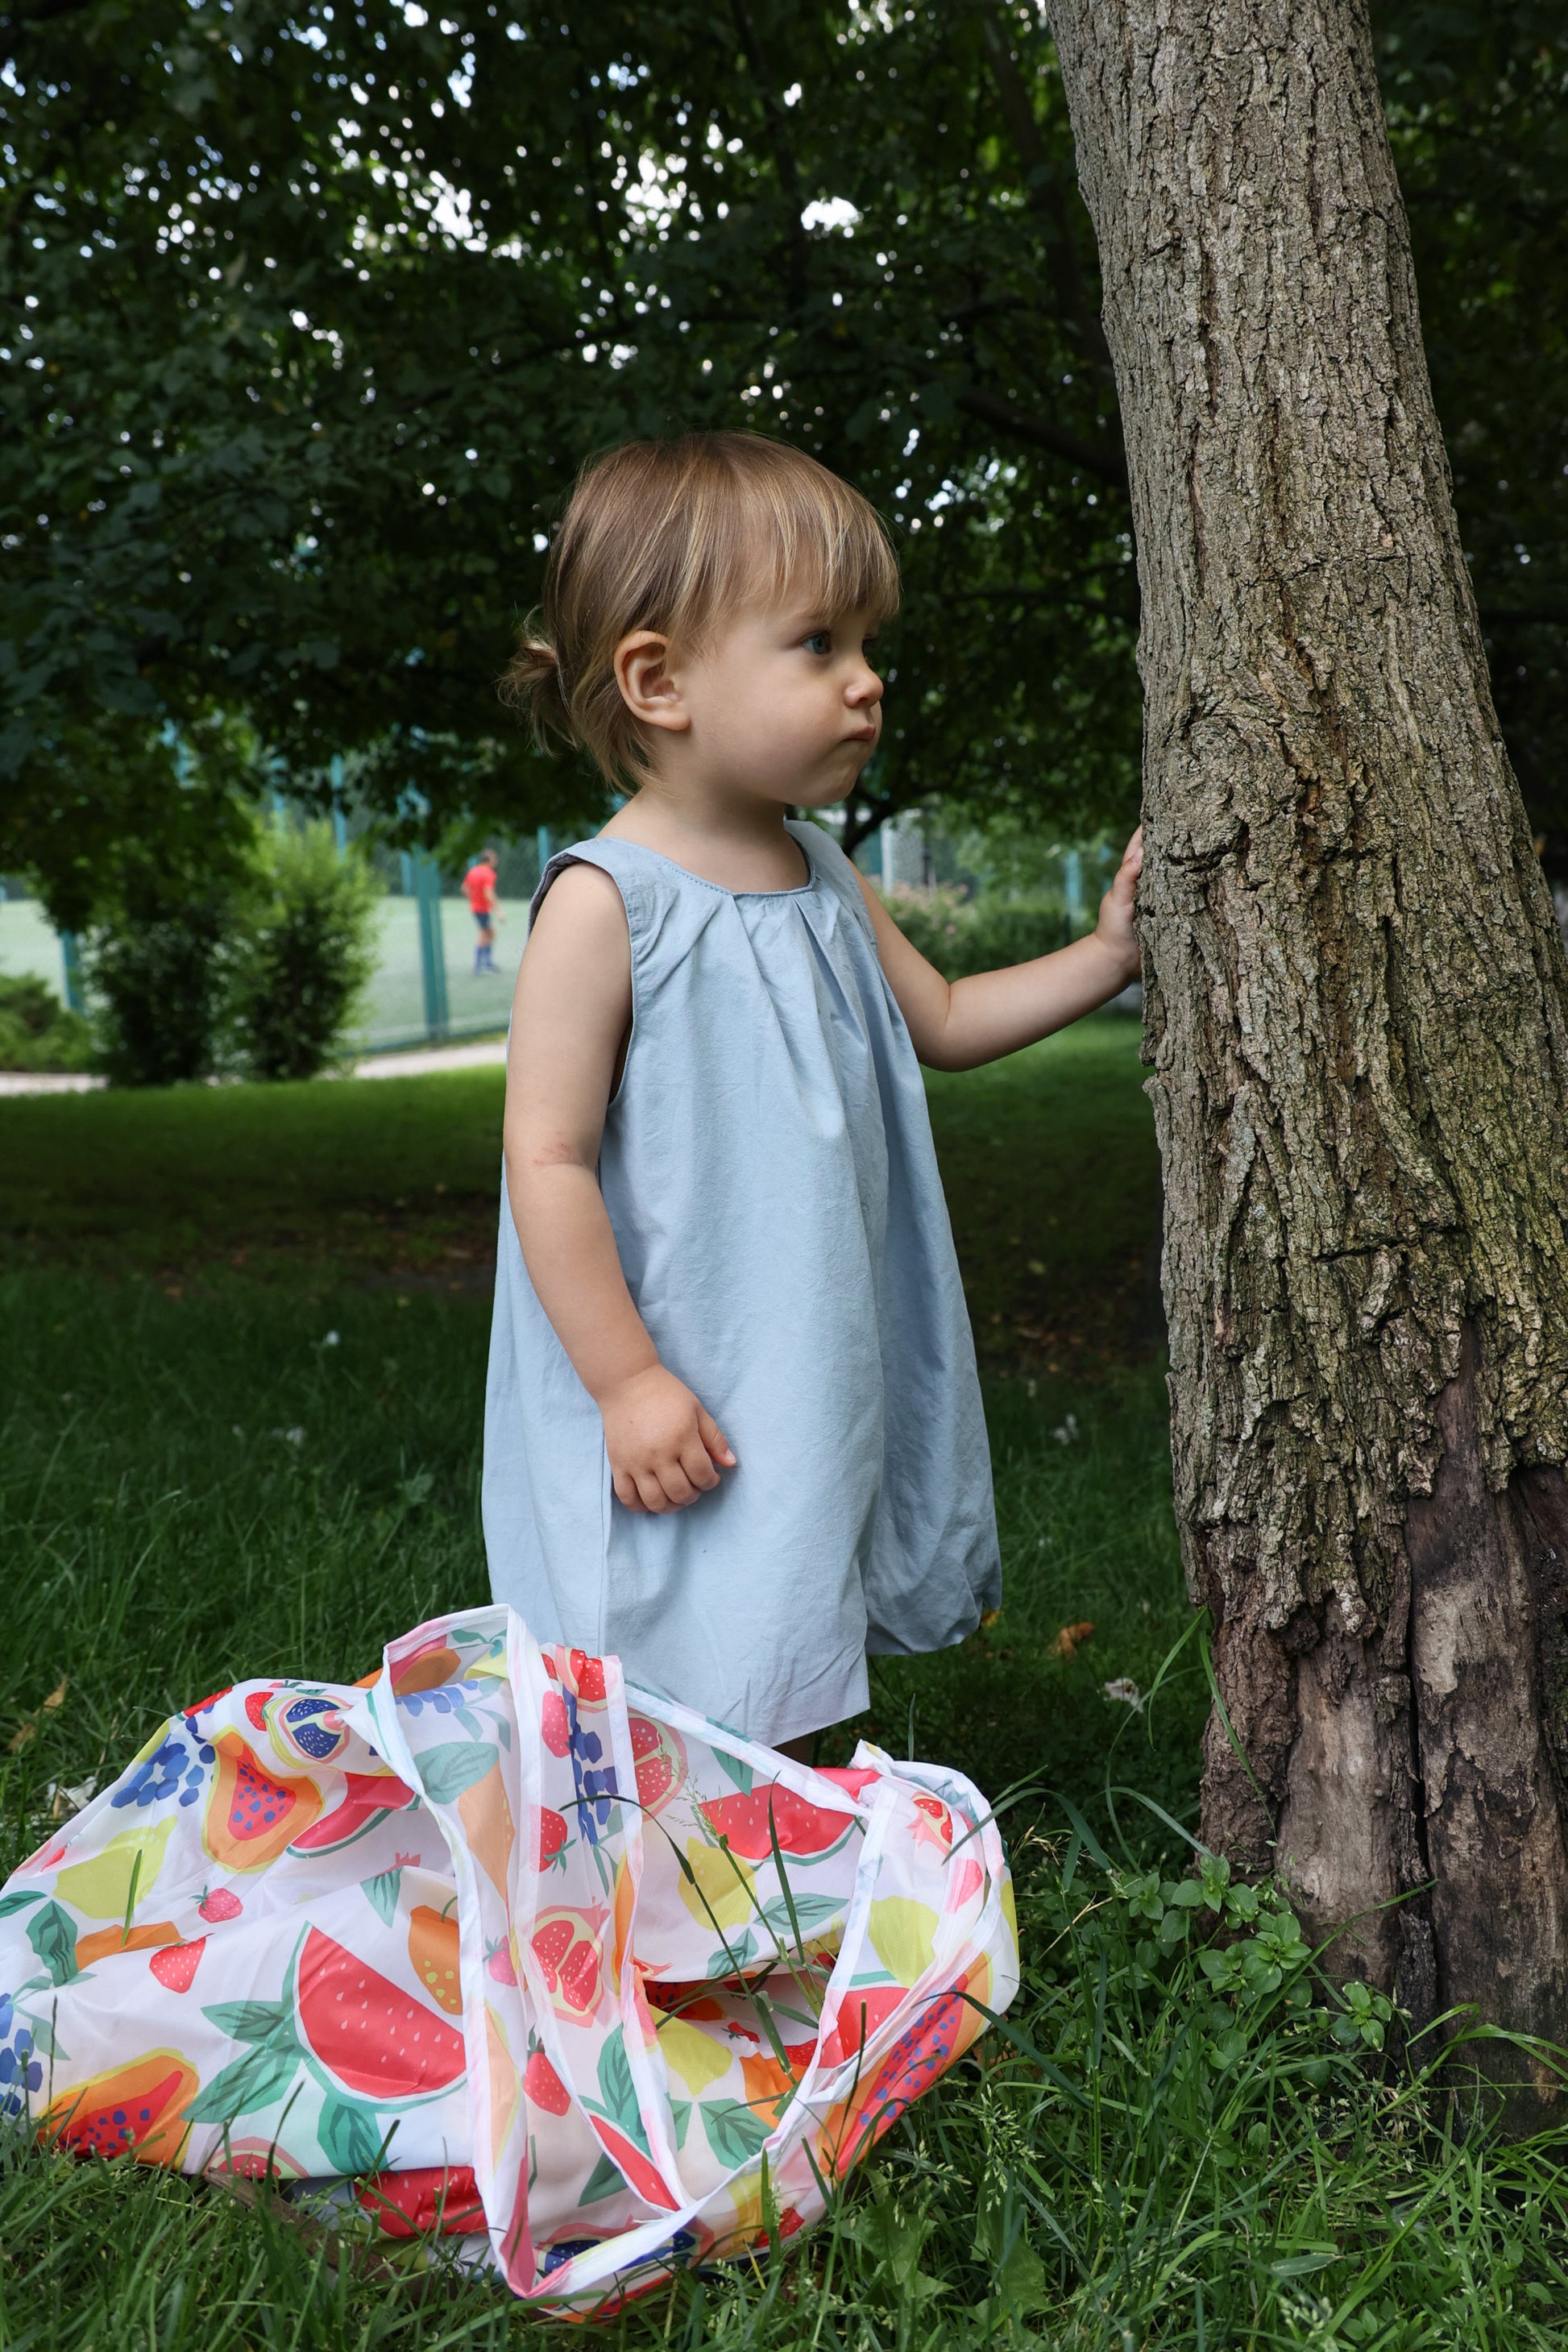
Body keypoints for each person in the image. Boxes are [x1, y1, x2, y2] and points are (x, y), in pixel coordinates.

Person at [485, 432, 1142, 1759]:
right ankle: (657, 1825)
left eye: (865, 644)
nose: (867, 679)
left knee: (788, 1565)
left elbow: (942, 1017)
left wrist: (1110, 954)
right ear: (659, 680)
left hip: (800, 1330)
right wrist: (627, 1380)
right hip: (674, 1338)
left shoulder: (820, 866)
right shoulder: (606, 903)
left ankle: (781, 1810)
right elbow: (544, 1156)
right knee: (664, 1607)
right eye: (817, 644)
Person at [463, 844, 500, 973]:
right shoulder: (489, 873)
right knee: (484, 934)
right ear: (489, 860)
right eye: (494, 858)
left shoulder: (473, 871)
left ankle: (487, 962)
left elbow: (465, 888)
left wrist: (473, 899)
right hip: (483, 909)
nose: (496, 860)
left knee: (490, 932)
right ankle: (479, 966)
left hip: (476, 907)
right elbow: (489, 892)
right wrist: (498, 910)